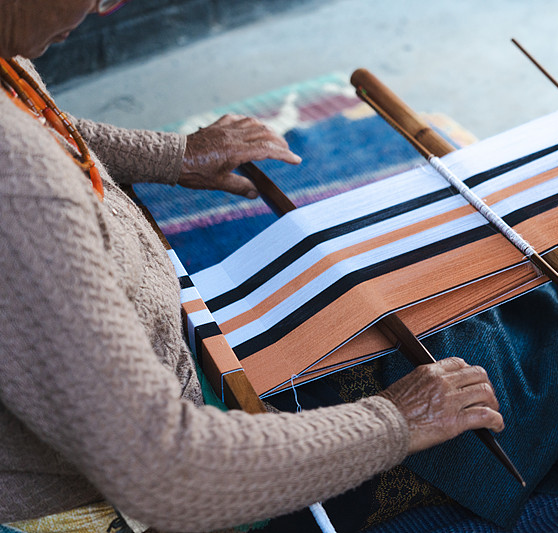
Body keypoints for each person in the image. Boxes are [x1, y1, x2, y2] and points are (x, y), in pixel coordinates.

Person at [0, 1, 505, 532]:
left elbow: (45, 128)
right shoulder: (20, 191)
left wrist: (173, 155)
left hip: (122, 390)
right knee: (510, 378)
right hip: (108, 490)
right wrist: (396, 421)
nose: (105, 8)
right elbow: (168, 471)